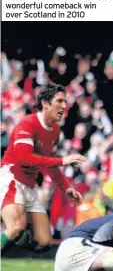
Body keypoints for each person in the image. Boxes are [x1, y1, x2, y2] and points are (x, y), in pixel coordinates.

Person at [1, 84, 86, 253]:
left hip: (29, 185)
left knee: (43, 243)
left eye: (65, 101)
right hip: (11, 178)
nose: (64, 106)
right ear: (45, 103)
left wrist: (66, 188)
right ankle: (14, 233)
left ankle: (15, 237)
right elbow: (23, 157)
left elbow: (51, 164)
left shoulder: (55, 131)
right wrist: (62, 161)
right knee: (16, 226)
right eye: (59, 101)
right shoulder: (28, 124)